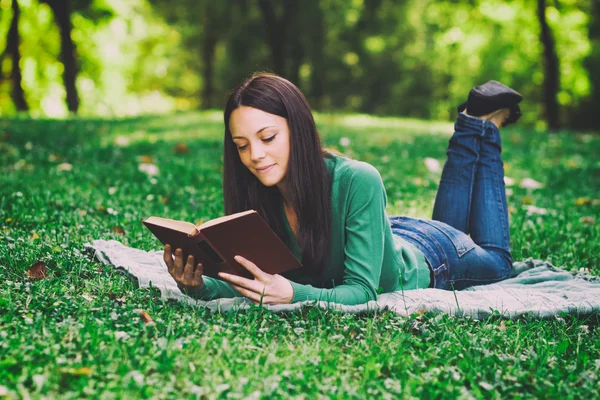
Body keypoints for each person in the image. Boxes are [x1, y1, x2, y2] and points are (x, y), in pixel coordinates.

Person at [163, 73, 523, 306]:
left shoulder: (357, 179)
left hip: (435, 257)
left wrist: (294, 294)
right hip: (386, 235)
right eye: (241, 145)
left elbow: (363, 291)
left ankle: (479, 126)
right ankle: (472, 124)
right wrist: (199, 285)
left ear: (298, 129)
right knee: (458, 227)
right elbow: (254, 282)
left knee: (498, 260)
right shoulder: (257, 194)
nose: (255, 155)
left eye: (268, 137)